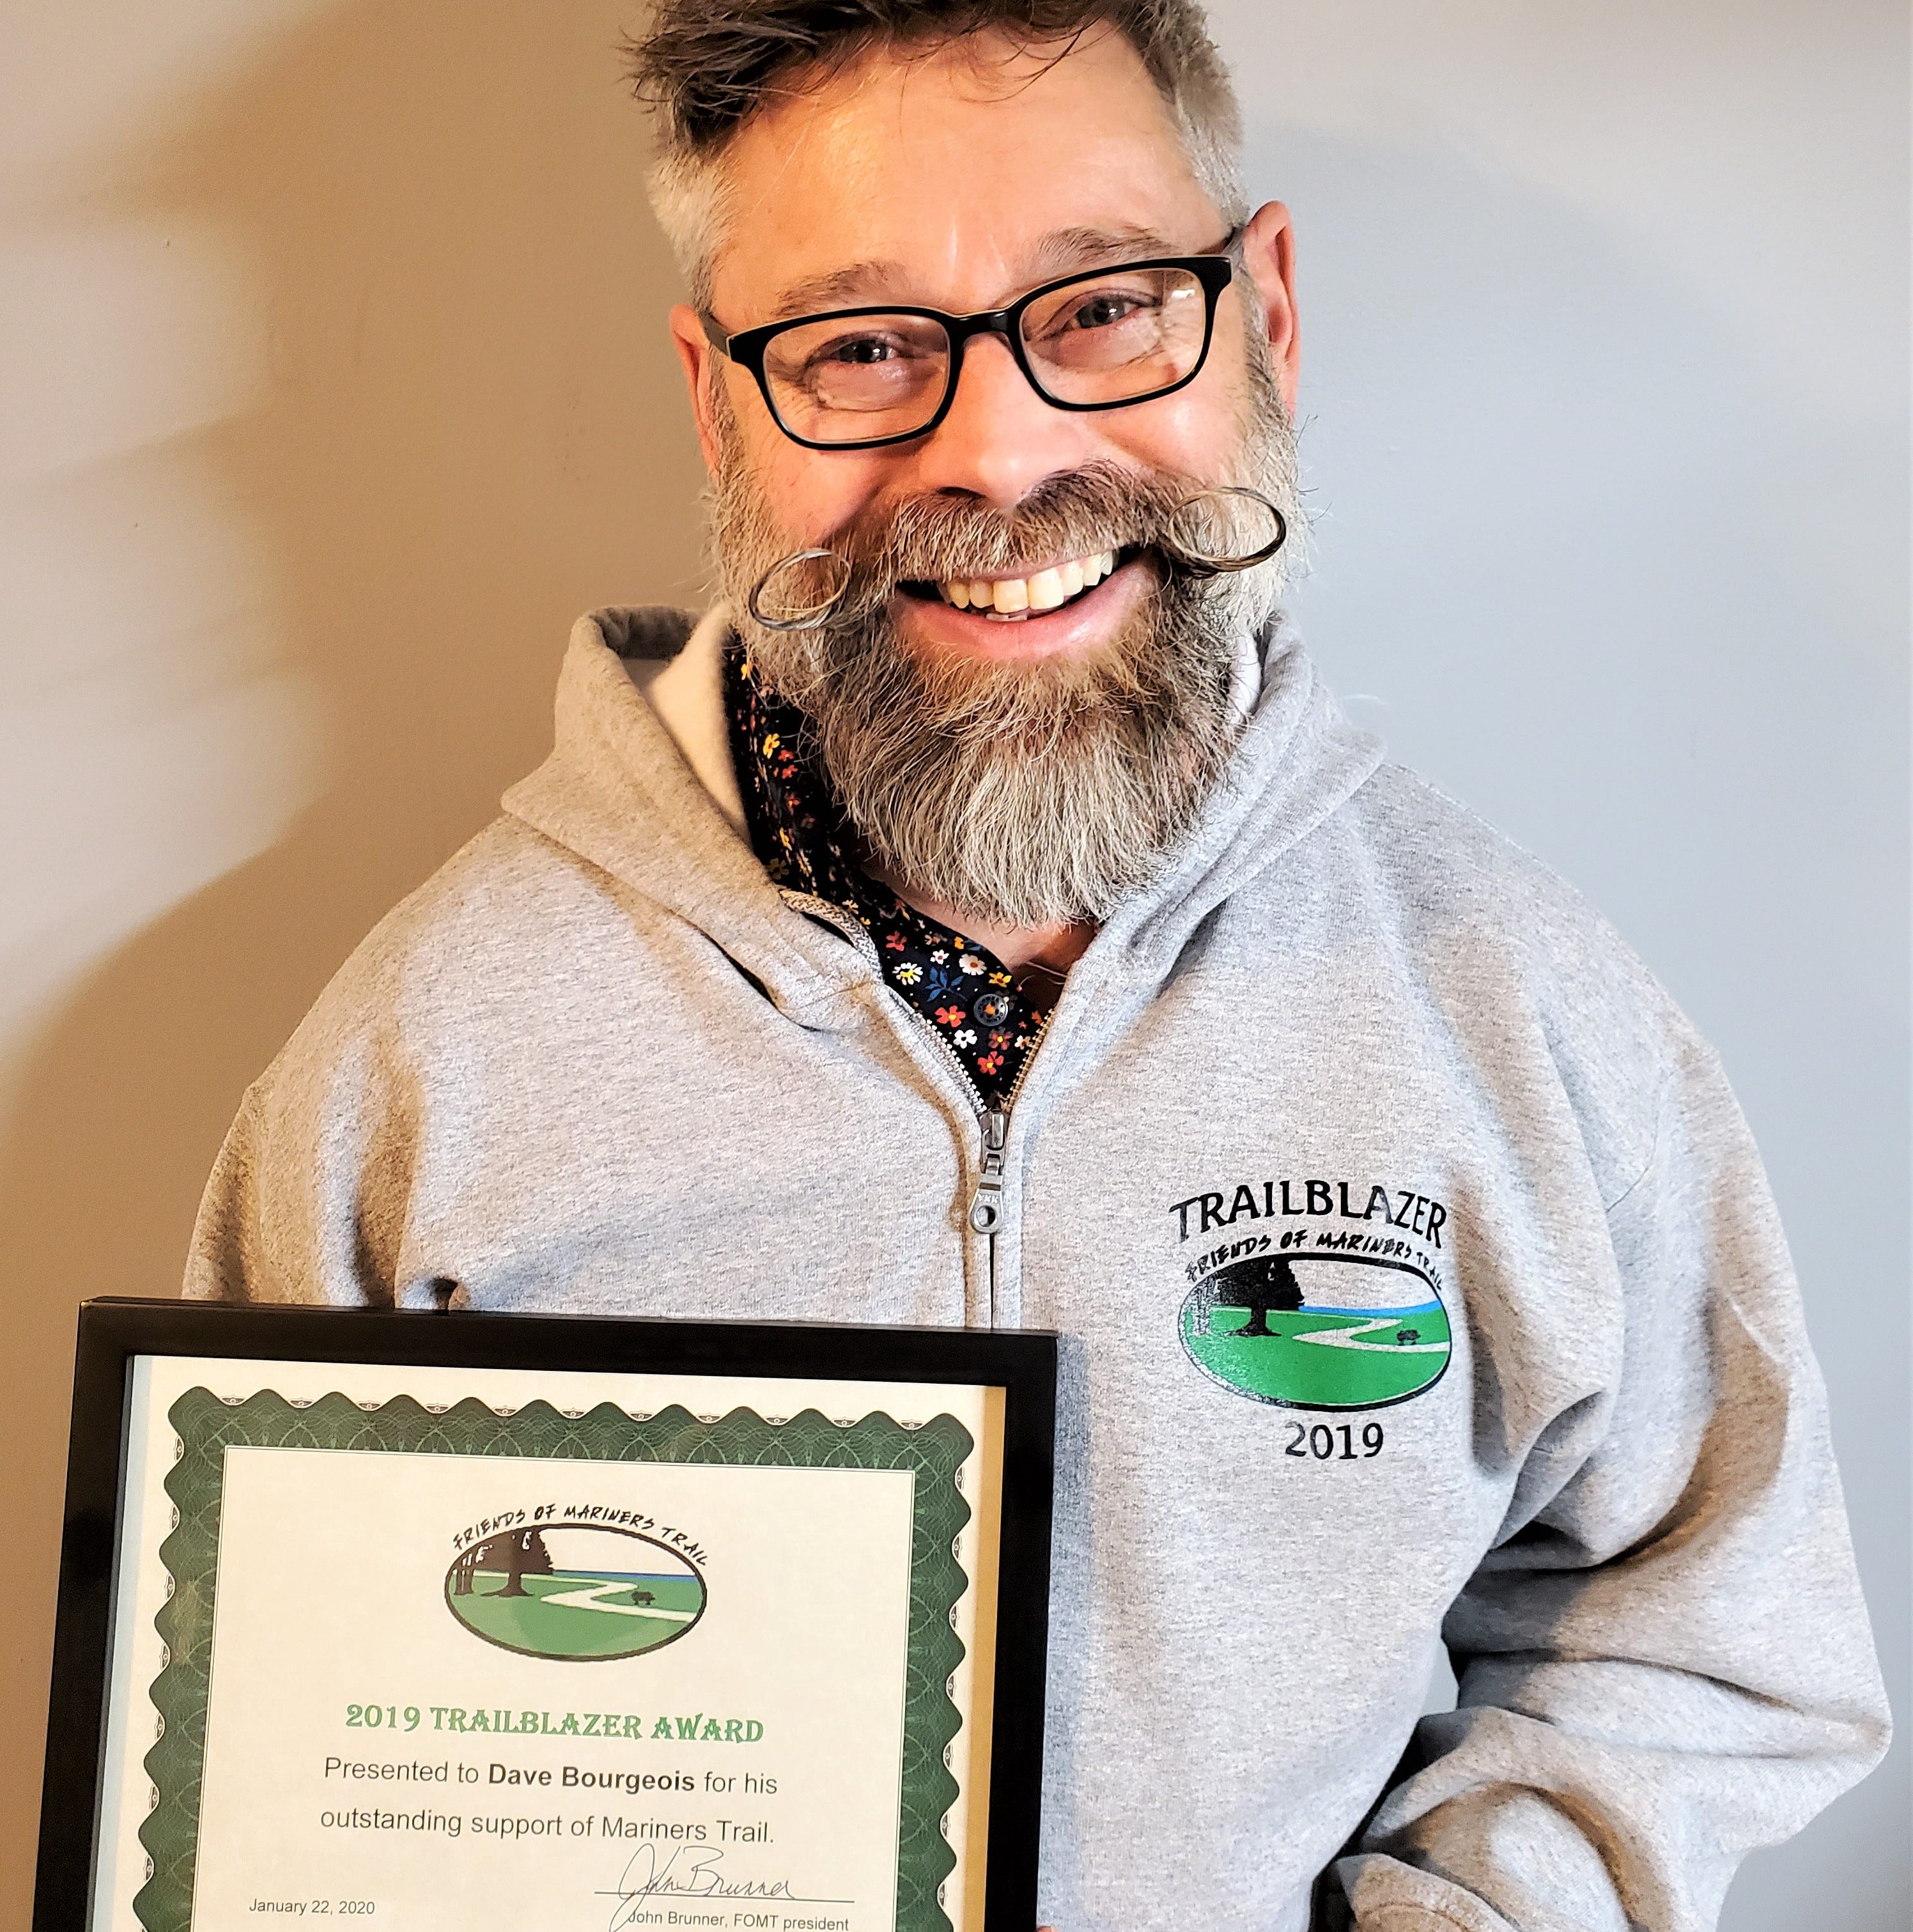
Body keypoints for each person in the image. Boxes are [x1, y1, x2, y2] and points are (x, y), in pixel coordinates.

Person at [183, 3, 1890, 1926]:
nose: (996, 452)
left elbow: (1695, 1645)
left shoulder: (1531, 1021)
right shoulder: (423, 1072)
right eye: (855, 346)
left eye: (1099, 311)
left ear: (1265, 313)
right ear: (717, 401)